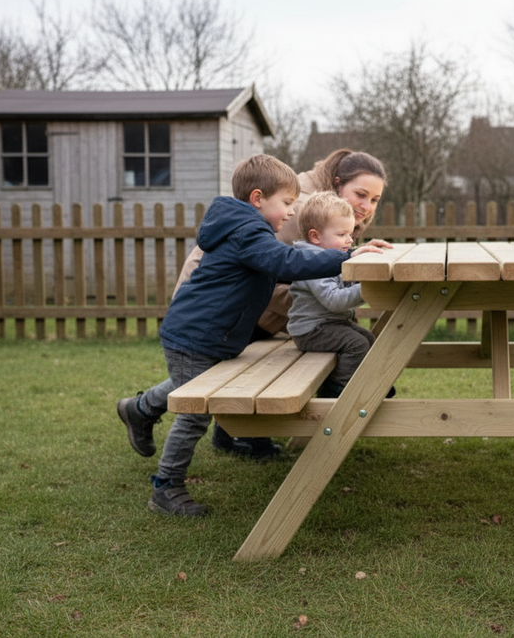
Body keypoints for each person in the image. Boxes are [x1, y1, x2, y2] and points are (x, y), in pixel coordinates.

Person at [117, 154, 383, 517]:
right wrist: (346, 258)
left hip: (213, 336)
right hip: (195, 334)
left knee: (188, 385)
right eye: (287, 203)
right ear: (258, 199)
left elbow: (286, 263)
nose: (292, 212)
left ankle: (140, 408)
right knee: (196, 411)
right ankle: (166, 486)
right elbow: (285, 264)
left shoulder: (251, 232)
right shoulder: (248, 232)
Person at [286, 192, 380, 398]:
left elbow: (347, 284)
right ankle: (335, 392)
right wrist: (369, 286)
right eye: (341, 235)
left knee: (368, 339)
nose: (349, 240)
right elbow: (335, 300)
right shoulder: (311, 262)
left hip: (331, 324)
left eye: (350, 234)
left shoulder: (330, 255)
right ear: (315, 236)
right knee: (357, 344)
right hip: (311, 329)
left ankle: (367, 385)